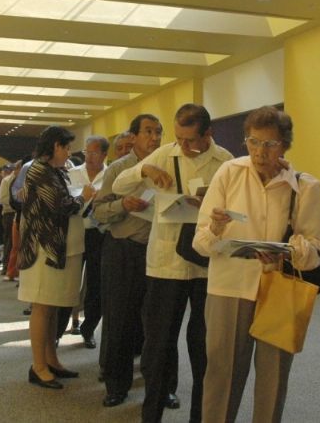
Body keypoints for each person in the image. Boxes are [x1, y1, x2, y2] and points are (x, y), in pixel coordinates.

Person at [193, 105, 320, 423]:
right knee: (222, 375)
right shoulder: (228, 173)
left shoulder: (306, 186)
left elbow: (316, 250)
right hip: (230, 286)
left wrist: (291, 251)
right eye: (253, 142)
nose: (259, 152)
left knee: (273, 378)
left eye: (269, 144)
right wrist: (215, 227)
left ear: (285, 145)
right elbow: (200, 243)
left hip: (278, 290)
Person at [113, 104, 233, 422]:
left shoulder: (227, 162)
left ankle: (201, 415)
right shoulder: (166, 154)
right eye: (178, 138)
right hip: (166, 263)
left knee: (203, 346)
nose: (183, 146)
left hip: (207, 262)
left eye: (190, 139)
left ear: (209, 134)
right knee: (159, 343)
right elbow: (117, 186)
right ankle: (151, 413)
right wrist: (144, 171)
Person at [93, 114, 163, 408]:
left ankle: (162, 387)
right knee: (120, 321)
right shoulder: (119, 169)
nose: (155, 137)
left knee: (159, 324)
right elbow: (98, 212)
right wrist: (123, 204)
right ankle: (117, 386)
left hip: (159, 252)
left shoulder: (168, 165)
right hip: (123, 250)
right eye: (148, 131)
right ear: (133, 137)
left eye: (158, 132)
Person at [18, 126, 95, 390]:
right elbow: (60, 206)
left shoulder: (56, 171)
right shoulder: (40, 171)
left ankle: (51, 360)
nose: (68, 153)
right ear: (54, 147)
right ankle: (38, 366)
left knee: (52, 308)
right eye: (66, 147)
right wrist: (84, 197)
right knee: (42, 307)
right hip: (44, 249)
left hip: (61, 247)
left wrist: (81, 198)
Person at [67, 136, 109, 348]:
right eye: (86, 152)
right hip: (74, 231)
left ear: (104, 154)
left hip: (98, 234)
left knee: (96, 283)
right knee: (69, 282)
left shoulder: (110, 175)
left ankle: (89, 328)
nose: (89, 156)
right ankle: (59, 329)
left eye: (94, 152)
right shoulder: (73, 173)